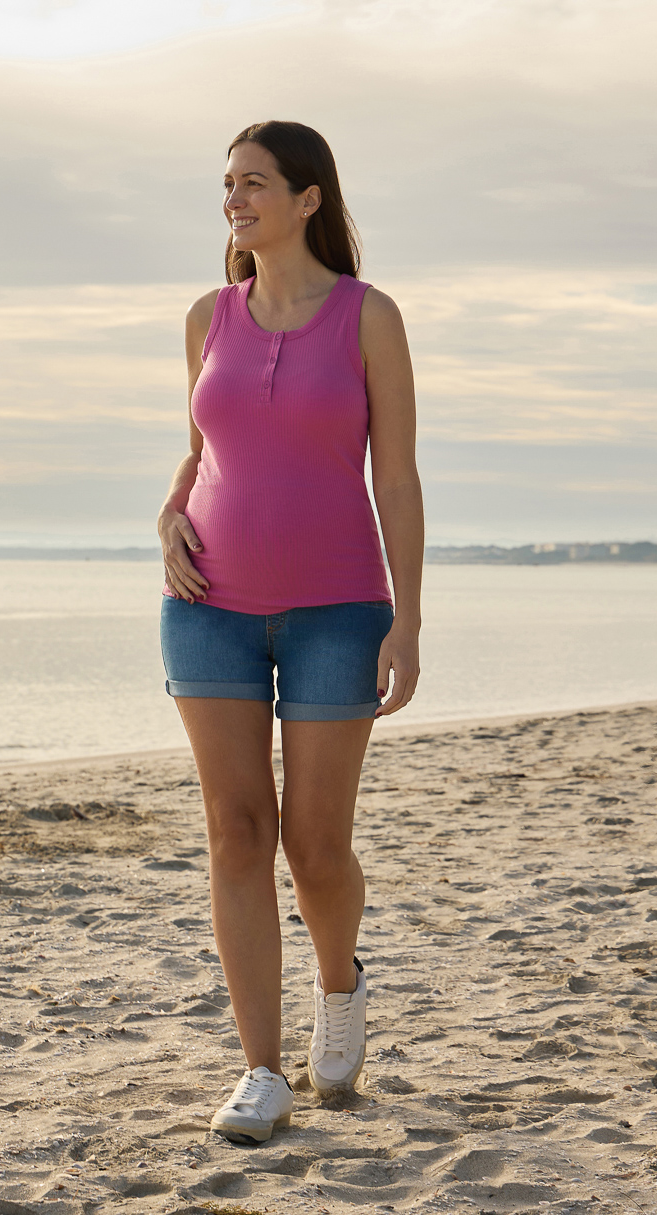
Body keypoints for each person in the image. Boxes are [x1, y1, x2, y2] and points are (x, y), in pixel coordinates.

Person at [157, 120, 424, 1145]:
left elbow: (394, 477)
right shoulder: (205, 317)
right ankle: (260, 1071)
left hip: (338, 608)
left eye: (254, 182)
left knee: (315, 846)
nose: (235, 198)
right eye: (227, 184)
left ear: (308, 199)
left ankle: (340, 982)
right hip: (207, 607)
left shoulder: (369, 316)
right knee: (237, 832)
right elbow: (203, 451)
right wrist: (167, 514)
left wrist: (407, 616)